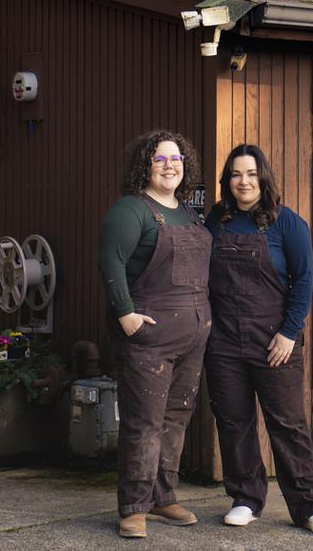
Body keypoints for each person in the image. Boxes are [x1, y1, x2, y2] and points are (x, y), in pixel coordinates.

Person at [203, 144, 313, 536]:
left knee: (288, 424)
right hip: (224, 342)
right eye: (235, 175)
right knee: (233, 422)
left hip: (274, 341)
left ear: (263, 176)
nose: (243, 182)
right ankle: (245, 498)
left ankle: (308, 505)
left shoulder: (287, 224)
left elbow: (304, 281)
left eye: (250, 173)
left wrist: (289, 333)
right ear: (227, 181)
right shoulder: (217, 220)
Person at [97, 129, 212, 539]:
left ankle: (164, 498)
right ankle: (133, 507)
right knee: (143, 422)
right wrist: (126, 314)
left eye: (176, 159)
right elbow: (111, 260)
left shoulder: (189, 213)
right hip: (149, 338)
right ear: (144, 164)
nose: (169, 165)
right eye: (160, 158)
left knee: (175, 419)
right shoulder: (133, 210)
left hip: (192, 337)